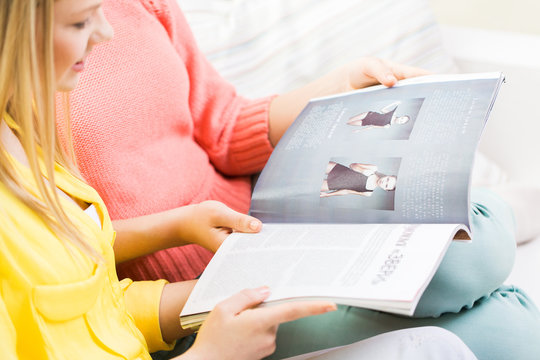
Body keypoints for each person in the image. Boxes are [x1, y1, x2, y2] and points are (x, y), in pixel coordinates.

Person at [61, 1, 540, 359]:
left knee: (471, 256)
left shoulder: (139, 7)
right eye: (83, 20)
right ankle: (495, 216)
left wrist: (335, 88)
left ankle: (503, 208)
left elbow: (223, 124)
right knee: (513, 332)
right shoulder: (22, 79)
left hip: (266, 228)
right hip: (188, 306)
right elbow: (58, 253)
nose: (101, 30)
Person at [0, 1, 339, 358]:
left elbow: (92, 308)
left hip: (221, 267)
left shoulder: (16, 136)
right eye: (81, 22)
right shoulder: (34, 109)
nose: (106, 32)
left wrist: (186, 240)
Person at [320, 161, 397, 198]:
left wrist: (328, 195)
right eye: (387, 179)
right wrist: (362, 170)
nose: (384, 182)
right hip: (337, 169)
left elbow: (347, 191)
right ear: (388, 175)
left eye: (386, 185)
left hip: (334, 184)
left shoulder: (368, 193)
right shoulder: (373, 169)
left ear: (385, 189)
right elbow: (352, 165)